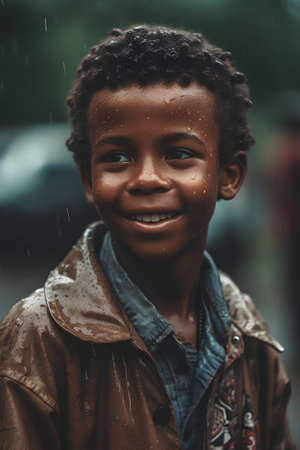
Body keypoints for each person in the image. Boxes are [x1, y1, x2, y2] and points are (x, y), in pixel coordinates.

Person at [0, 25, 295, 449]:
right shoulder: (37, 341)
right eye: (117, 157)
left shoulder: (249, 335)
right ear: (88, 178)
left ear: (229, 176)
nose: (147, 179)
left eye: (179, 154)